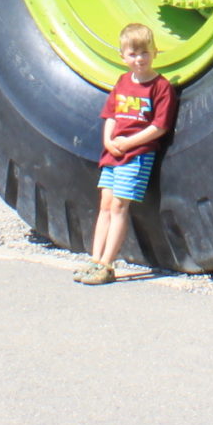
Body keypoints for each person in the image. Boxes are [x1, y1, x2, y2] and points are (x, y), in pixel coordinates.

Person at [75, 22, 177, 285]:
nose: (139, 59)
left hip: (138, 154)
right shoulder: (122, 82)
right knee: (105, 206)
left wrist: (129, 143)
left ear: (155, 52)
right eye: (132, 54)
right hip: (114, 153)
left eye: (144, 53)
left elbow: (159, 127)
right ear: (122, 56)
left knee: (120, 206)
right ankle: (94, 260)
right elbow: (110, 115)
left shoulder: (160, 87)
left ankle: (107, 264)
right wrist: (108, 141)